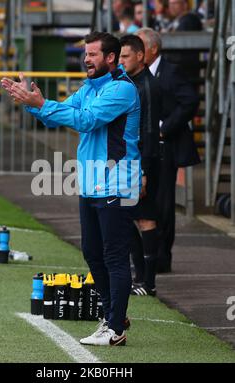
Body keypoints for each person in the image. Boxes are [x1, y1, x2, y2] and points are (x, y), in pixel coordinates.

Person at [1, 31, 141, 346]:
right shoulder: (89, 88)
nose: (86, 59)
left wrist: (42, 104)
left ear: (110, 58)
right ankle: (114, 313)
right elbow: (59, 116)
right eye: (86, 54)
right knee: (93, 253)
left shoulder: (122, 90)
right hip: (92, 182)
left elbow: (87, 120)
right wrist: (33, 104)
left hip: (117, 182)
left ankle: (115, 328)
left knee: (114, 256)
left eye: (93, 54)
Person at [136, 27, 200, 272]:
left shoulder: (171, 72)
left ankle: (162, 258)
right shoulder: (137, 75)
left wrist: (165, 127)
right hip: (146, 149)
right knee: (145, 200)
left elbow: (190, 101)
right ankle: (148, 254)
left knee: (163, 202)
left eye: (142, 46)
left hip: (166, 147)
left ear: (153, 49)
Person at [119, 34, 161, 296]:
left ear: (140, 56)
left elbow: (148, 131)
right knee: (127, 217)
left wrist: (142, 172)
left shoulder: (147, 86)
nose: (121, 61)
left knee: (145, 219)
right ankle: (141, 276)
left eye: (125, 56)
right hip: (130, 161)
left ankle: (149, 282)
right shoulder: (131, 83)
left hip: (143, 162)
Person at [166, 0, 203, 83]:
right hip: (177, 69)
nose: (171, 6)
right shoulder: (176, 21)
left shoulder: (189, 19)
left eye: (175, 3)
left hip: (185, 70)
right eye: (170, 3)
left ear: (185, 5)